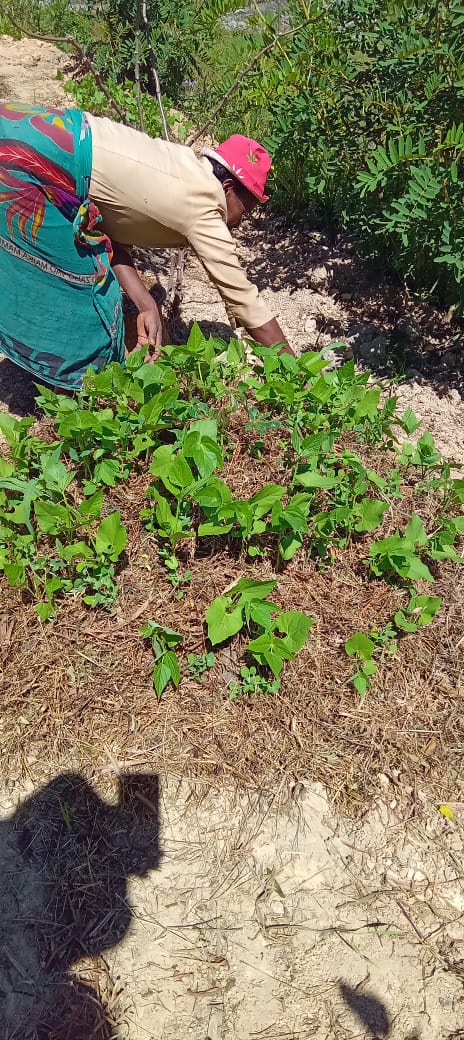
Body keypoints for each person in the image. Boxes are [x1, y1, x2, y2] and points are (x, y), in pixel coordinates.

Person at [0, 101, 290, 390]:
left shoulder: (182, 165)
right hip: (33, 158)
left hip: (35, 126)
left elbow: (109, 234)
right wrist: (300, 374)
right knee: (77, 287)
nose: (241, 221)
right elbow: (245, 301)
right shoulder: (203, 206)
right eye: (246, 209)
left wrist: (146, 303)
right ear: (228, 189)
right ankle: (74, 393)